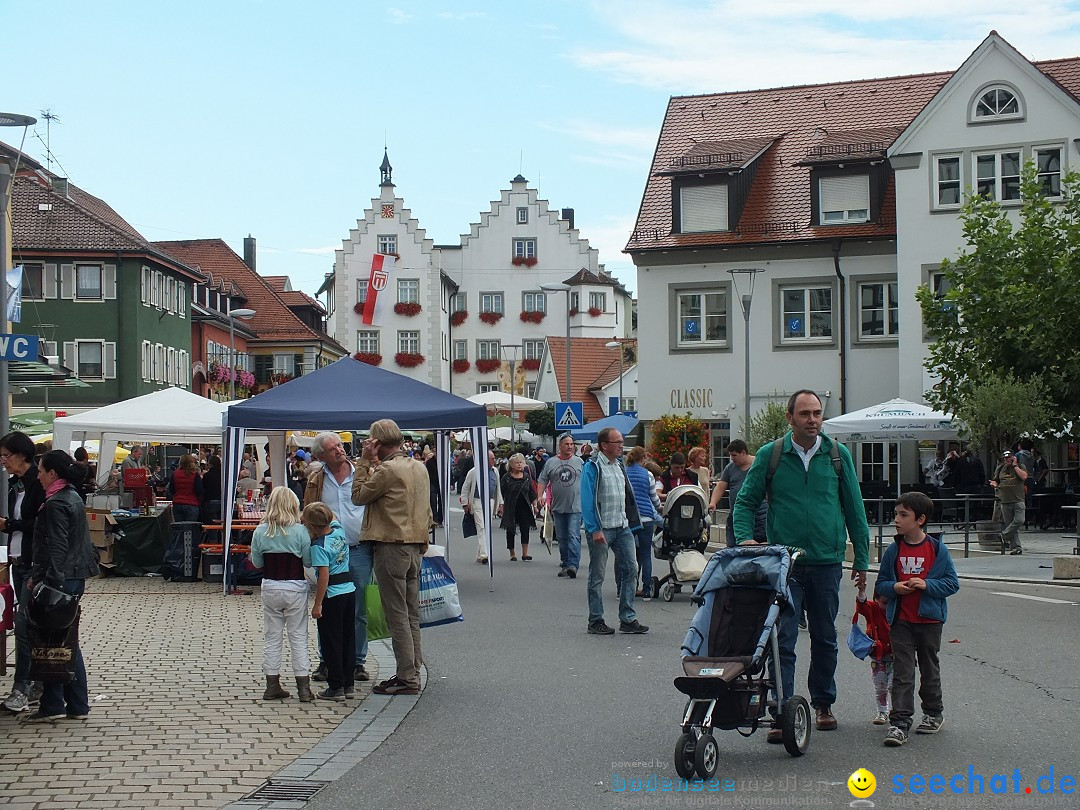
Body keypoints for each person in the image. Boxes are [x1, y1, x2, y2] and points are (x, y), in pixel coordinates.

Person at [733, 389, 869, 739]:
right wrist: (746, 539)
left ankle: (823, 704)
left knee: (825, 636)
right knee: (784, 638)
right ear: (790, 417)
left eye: (817, 414)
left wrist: (862, 559)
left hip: (827, 561)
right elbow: (745, 502)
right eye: (805, 414)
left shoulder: (836, 456)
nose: (813, 420)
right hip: (786, 563)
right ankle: (783, 710)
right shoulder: (771, 454)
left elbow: (855, 509)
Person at [352, 418, 431, 696]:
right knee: (411, 613)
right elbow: (427, 509)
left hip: (391, 546)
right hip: (414, 546)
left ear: (377, 443)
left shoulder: (387, 470)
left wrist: (363, 462)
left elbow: (358, 496)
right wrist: (424, 540)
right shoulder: (419, 467)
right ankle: (412, 669)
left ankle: (407, 677)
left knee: (396, 613)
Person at [874, 492, 959, 746]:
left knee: (929, 668)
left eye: (903, 515)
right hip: (901, 621)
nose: (896, 520)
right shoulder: (894, 550)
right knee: (903, 670)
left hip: (930, 621)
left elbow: (952, 583)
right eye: (896, 514)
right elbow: (882, 584)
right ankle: (899, 722)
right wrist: (895, 588)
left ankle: (933, 713)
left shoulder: (936, 549)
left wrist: (927, 584)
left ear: (920, 519)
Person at [26, 450, 100, 722]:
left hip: (62, 578)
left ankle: (62, 703)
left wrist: (48, 583)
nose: (38, 475)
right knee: (63, 640)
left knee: (59, 642)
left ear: (52, 474)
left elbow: (56, 547)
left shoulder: (57, 503)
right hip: (72, 575)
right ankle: (68, 703)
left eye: (41, 470)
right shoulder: (71, 497)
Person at [305, 432, 372, 684]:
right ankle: (328, 660)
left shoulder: (363, 474)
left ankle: (356, 661)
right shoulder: (316, 479)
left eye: (340, 446)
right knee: (327, 607)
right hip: (329, 553)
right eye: (333, 449)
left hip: (359, 548)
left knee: (359, 608)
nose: (339, 451)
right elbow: (309, 511)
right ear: (321, 456)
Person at [580, 427, 647, 636]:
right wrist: (594, 528)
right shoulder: (593, 467)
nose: (621, 445)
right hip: (602, 528)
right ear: (604, 445)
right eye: (617, 442)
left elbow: (627, 496)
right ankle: (595, 620)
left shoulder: (619, 465)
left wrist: (633, 520)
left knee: (631, 568)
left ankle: (627, 618)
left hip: (622, 525)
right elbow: (587, 499)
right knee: (597, 574)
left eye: (622, 441)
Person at [250, 487, 313, 702]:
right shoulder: (300, 531)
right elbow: (308, 562)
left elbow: (257, 562)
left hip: (270, 586)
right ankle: (304, 688)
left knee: (272, 637)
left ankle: (272, 684)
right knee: (298, 637)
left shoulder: (260, 531)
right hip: (295, 586)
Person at [0, 431, 46, 714]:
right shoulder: (13, 485)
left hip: (33, 562)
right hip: (17, 560)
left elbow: (37, 524)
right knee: (28, 625)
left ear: (22, 455)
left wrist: (9, 525)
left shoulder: (37, 484)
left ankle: (23, 687)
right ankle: (36, 685)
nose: (3, 461)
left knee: (25, 625)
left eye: (6, 456)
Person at [301, 502, 355, 701]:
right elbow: (334, 519)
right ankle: (349, 683)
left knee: (331, 641)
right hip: (349, 590)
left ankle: (335, 686)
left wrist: (318, 603)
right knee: (348, 638)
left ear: (311, 526)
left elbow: (323, 576)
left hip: (332, 595)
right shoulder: (339, 532)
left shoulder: (319, 546)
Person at [537, 434, 584, 578]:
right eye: (566, 444)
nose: (569, 447)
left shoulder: (579, 462)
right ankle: (565, 562)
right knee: (562, 537)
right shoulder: (551, 463)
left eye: (571, 444)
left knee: (573, 535)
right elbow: (542, 480)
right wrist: (540, 496)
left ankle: (573, 565)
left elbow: (588, 481)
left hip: (576, 506)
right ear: (560, 446)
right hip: (558, 507)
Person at [708, 439, 768, 547]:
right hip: (735, 515)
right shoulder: (730, 468)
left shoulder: (759, 464)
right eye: (730, 455)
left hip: (760, 516)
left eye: (734, 455)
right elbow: (721, 486)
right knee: (733, 548)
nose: (732, 458)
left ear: (743, 452)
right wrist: (713, 502)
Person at [625, 446, 661, 600]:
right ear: (643, 459)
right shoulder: (647, 475)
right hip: (647, 518)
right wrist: (659, 508)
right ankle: (646, 590)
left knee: (628, 555)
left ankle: (625, 589)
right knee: (645, 555)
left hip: (628, 518)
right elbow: (654, 498)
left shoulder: (624, 472)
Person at [855, 586, 893, 726]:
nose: (887, 606)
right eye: (884, 603)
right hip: (878, 657)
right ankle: (882, 711)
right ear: (876, 600)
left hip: (895, 656)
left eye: (890, 603)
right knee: (880, 686)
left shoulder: (897, 610)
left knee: (894, 686)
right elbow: (862, 606)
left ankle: (897, 712)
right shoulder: (873, 609)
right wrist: (861, 590)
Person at [461, 449, 502, 564]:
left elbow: (497, 489)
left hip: (490, 501)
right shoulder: (474, 472)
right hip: (477, 501)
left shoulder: (495, 471)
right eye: (492, 458)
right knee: (481, 527)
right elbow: (465, 488)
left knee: (486, 528)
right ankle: (484, 554)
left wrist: (500, 503)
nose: (494, 460)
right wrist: (465, 503)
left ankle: (480, 554)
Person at [499, 453, 538, 561]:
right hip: (511, 506)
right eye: (517, 463)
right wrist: (500, 505)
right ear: (511, 465)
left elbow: (531, 492)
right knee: (510, 529)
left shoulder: (526, 477)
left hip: (524, 506)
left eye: (521, 462)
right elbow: (500, 493)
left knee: (525, 529)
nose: (519, 465)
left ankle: (525, 553)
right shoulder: (506, 478)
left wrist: (535, 505)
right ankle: (512, 553)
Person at [991, 450, 1027, 555]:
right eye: (1005, 458)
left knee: (1020, 520)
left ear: (1013, 458)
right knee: (1011, 524)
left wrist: (1015, 466)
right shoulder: (1001, 468)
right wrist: (995, 484)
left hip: (1018, 499)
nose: (1007, 460)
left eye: (1009, 457)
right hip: (1005, 500)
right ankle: (1016, 547)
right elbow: (996, 480)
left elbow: (1024, 477)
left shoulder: (1020, 466)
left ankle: (1004, 535)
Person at [167, 454, 203, 523]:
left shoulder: (175, 474)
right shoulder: (194, 474)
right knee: (190, 529)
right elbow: (199, 490)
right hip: (192, 504)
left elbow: (171, 489)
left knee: (179, 528)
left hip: (178, 503)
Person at [201, 455, 223, 522]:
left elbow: (203, 488)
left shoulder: (207, 475)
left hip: (210, 500)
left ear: (210, 464)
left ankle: (213, 532)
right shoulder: (224, 475)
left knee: (211, 522)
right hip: (222, 500)